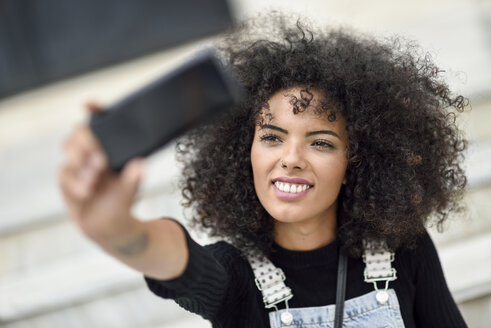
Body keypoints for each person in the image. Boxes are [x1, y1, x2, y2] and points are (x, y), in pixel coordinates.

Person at [59, 13, 469, 328]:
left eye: (321, 142)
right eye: (272, 137)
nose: (290, 158)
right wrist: (116, 229)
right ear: (244, 151)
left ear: (355, 163)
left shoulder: (404, 248)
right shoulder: (235, 274)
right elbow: (173, 257)